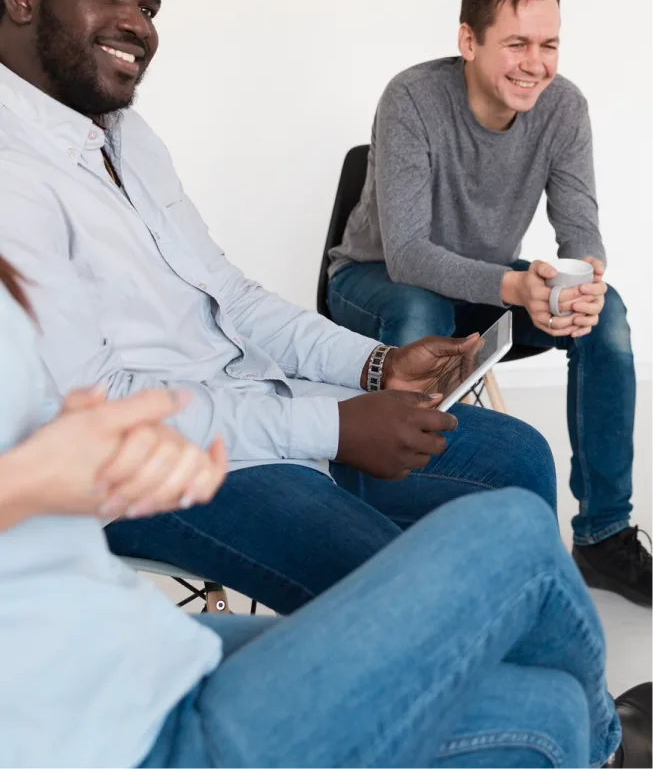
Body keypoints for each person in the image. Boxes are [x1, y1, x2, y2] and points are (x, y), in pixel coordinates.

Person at [0, 0, 556, 615]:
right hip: (136, 469)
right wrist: (331, 428)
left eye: (148, 6)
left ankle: (537, 698)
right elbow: (92, 409)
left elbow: (226, 293)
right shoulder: (14, 175)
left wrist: (375, 367)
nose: (138, 24)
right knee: (405, 591)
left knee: (515, 458)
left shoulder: (125, 135)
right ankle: (563, 718)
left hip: (256, 404)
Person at [1, 254, 652, 769]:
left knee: (552, 701)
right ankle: (602, 742)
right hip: (104, 736)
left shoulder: (111, 144)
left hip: (131, 644)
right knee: (510, 537)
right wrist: (34, 477)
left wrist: (374, 368)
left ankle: (594, 735)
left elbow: (231, 296)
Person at [328, 0, 651, 606]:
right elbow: (410, 255)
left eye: (548, 44)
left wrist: (581, 282)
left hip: (479, 287)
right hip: (373, 277)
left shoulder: (561, 108)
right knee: (421, 310)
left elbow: (579, 227)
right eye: (516, 44)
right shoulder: (412, 99)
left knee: (606, 315)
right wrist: (514, 289)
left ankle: (602, 535)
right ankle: (396, 529)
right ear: (468, 41)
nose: (535, 62)